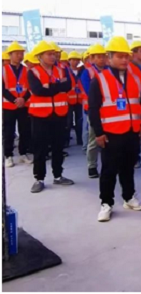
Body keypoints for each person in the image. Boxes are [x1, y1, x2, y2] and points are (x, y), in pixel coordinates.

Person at [89, 37, 141, 222]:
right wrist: (99, 133)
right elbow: (93, 108)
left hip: (132, 131)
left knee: (128, 167)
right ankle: (106, 203)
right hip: (111, 133)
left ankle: (129, 197)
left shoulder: (136, 78)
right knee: (109, 170)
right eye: (120, 56)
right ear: (109, 57)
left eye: (126, 56)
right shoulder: (99, 79)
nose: (124, 60)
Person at [28, 40, 74, 193]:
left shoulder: (62, 70)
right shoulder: (33, 72)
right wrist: (57, 87)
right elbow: (38, 91)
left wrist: (50, 86)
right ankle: (39, 178)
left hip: (59, 114)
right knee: (40, 148)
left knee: (58, 147)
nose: (53, 57)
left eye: (54, 54)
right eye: (49, 54)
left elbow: (68, 86)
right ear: (40, 56)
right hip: (40, 116)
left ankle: (58, 175)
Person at [3, 41, 32, 167]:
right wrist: (15, 100)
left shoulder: (27, 70)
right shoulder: (3, 70)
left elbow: (30, 88)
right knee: (8, 131)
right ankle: (8, 155)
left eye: (21, 53)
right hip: (9, 105)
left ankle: (23, 153)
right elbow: (3, 88)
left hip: (23, 105)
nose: (20, 56)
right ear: (10, 55)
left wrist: (23, 99)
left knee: (24, 130)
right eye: (17, 53)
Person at [81, 44, 108, 179]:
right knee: (93, 140)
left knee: (108, 141)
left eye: (103, 56)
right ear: (91, 58)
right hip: (94, 111)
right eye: (98, 57)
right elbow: (89, 92)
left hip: (109, 112)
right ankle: (92, 166)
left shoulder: (110, 71)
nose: (101, 59)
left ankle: (108, 165)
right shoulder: (87, 73)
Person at [65, 51, 84, 149]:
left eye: (77, 60)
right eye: (73, 60)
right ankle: (66, 141)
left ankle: (80, 139)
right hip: (69, 100)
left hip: (79, 100)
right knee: (68, 122)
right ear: (69, 60)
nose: (75, 62)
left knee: (79, 121)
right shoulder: (66, 71)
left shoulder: (81, 71)